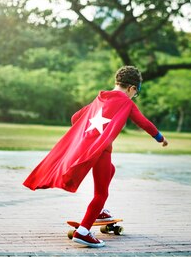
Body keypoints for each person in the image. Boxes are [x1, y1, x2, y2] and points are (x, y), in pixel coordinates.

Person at [23, 66, 168, 247]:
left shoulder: (100, 98)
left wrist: (90, 132)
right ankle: (83, 231)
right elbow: (144, 123)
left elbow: (75, 117)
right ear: (132, 88)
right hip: (101, 150)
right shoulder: (127, 103)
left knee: (110, 171)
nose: (134, 96)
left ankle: (99, 212)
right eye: (136, 93)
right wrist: (160, 138)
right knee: (101, 193)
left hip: (90, 149)